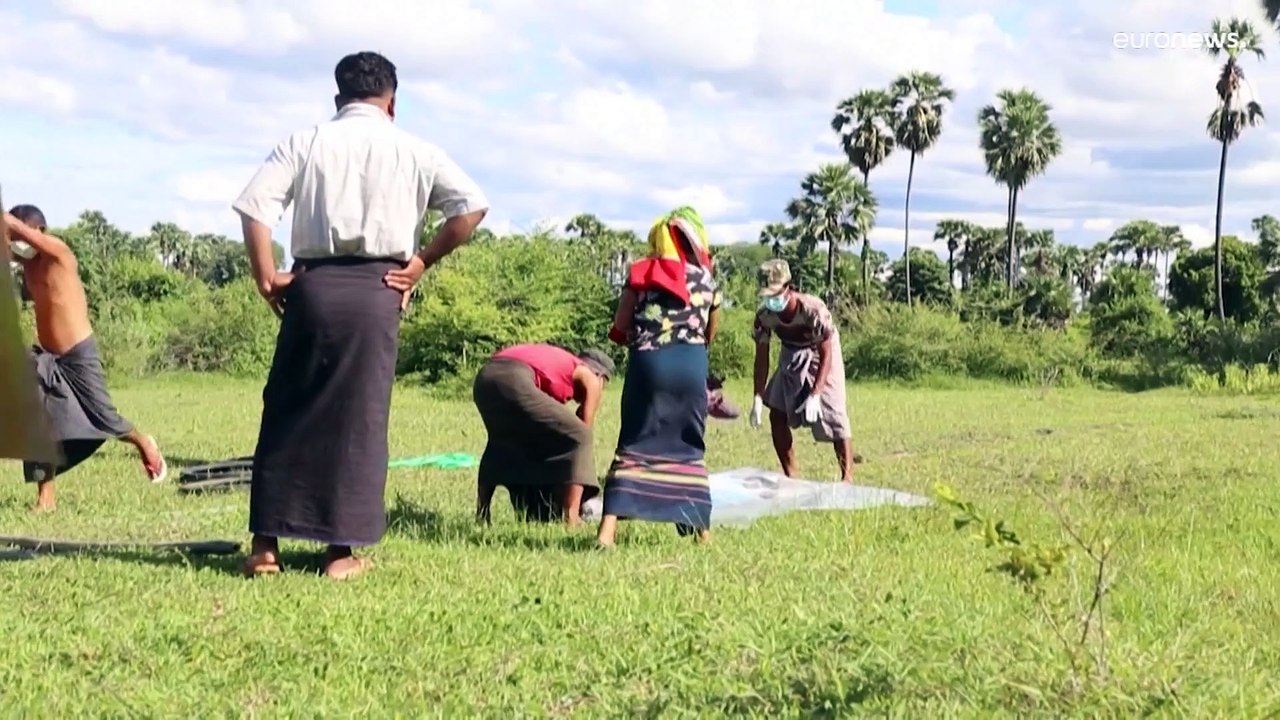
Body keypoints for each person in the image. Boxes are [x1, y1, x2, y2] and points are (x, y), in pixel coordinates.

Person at [231, 51, 488, 580]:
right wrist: (419, 264)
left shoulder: (306, 141)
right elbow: (471, 209)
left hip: (312, 286)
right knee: (359, 419)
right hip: (379, 290)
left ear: (337, 99)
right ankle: (339, 554)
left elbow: (256, 206)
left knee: (286, 406)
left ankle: (265, 548)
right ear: (392, 102)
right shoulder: (414, 149)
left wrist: (265, 276)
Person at [3, 207, 166, 512]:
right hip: (48, 357)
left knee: (104, 417)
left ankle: (142, 441)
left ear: (39, 231)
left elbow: (14, 228)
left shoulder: (59, 253)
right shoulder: (26, 265)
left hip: (78, 353)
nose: (16, 244)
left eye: (20, 236)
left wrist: (7, 222)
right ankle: (45, 497)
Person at [597, 207, 721, 547]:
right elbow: (711, 328)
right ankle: (702, 534)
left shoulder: (641, 273)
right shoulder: (706, 279)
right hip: (691, 365)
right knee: (687, 444)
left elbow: (621, 323)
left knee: (635, 441)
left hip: (650, 364)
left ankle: (607, 533)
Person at [472, 344, 614, 526]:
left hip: (485, 379)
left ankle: (482, 515)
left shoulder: (557, 366)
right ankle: (571, 517)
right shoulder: (589, 375)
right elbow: (583, 429)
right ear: (601, 377)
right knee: (581, 436)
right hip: (515, 378)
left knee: (501, 441)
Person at [750, 258, 856, 482]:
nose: (771, 300)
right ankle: (791, 477)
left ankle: (847, 478)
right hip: (792, 354)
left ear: (789, 287)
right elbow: (762, 357)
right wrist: (758, 397)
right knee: (777, 413)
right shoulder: (764, 317)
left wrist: (816, 394)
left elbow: (826, 352)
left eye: (775, 294)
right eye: (766, 295)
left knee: (834, 413)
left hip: (823, 353)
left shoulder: (812, 309)